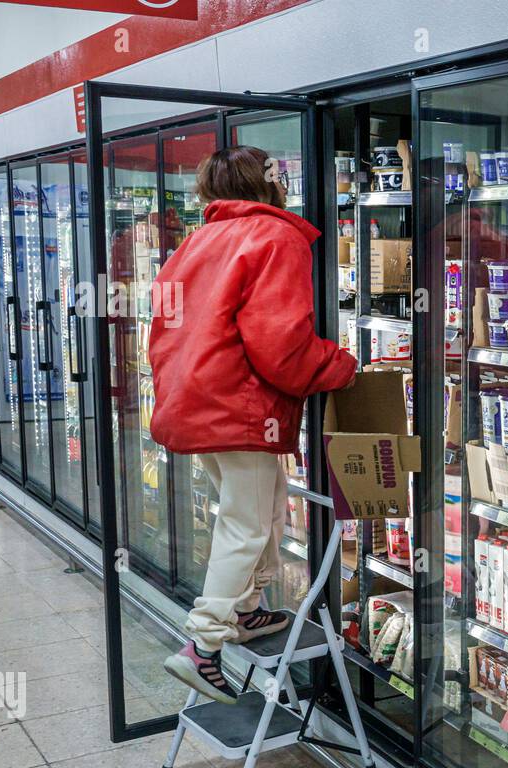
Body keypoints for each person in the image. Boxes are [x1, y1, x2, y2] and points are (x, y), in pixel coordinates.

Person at [152, 145, 357, 704]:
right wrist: (339, 366)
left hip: (194, 403)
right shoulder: (275, 238)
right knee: (246, 524)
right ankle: (202, 645)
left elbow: (167, 323)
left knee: (258, 512)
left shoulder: (195, 243)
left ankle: (244, 611)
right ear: (268, 182)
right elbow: (281, 347)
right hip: (239, 408)